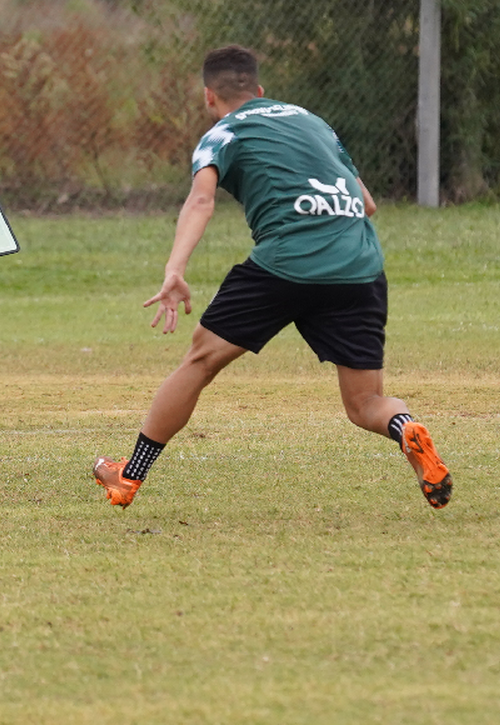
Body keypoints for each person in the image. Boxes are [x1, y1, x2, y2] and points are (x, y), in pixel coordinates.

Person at [93, 45, 452, 510]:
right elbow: (367, 203)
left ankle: (129, 476)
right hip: (360, 265)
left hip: (287, 261)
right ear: (260, 90)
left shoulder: (221, 132)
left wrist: (174, 268)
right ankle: (407, 429)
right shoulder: (314, 123)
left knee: (200, 361)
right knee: (365, 403)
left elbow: (201, 202)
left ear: (209, 96)